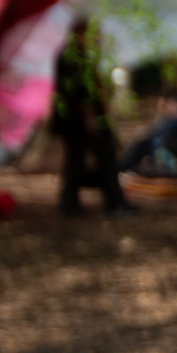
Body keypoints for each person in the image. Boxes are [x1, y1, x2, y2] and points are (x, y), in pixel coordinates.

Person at [52, 20, 129, 216]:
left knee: (76, 161)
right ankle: (114, 202)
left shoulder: (76, 56)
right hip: (79, 121)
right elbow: (79, 93)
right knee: (103, 157)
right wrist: (90, 117)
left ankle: (70, 203)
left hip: (76, 120)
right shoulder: (73, 58)